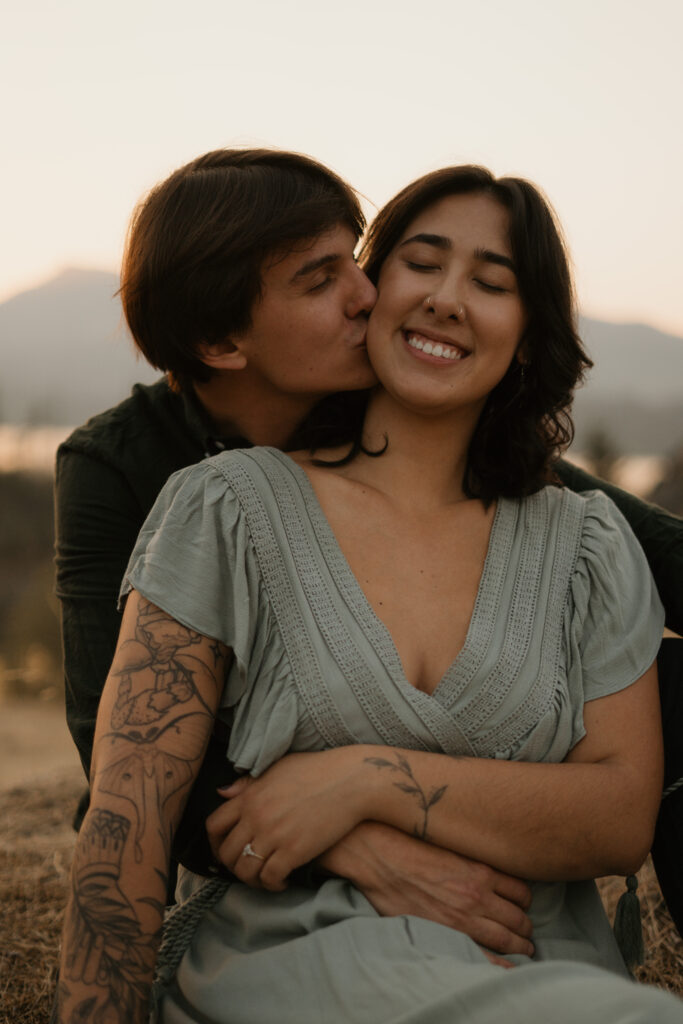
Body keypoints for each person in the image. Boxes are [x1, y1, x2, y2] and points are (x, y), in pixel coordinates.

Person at [57, 165, 683, 1023]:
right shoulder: (206, 499)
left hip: (545, 965)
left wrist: (365, 782)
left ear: (529, 332)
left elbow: (620, 816)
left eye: (492, 282)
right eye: (416, 263)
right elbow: (124, 807)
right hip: (305, 957)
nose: (436, 299)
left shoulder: (582, 536)